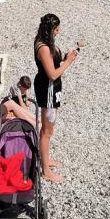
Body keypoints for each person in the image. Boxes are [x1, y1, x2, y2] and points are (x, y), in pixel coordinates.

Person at [34, 13, 78, 183]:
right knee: (47, 131)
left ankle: (46, 159)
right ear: (49, 30)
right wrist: (68, 62)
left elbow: (52, 65)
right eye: (56, 29)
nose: (59, 31)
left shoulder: (44, 41)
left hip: (51, 88)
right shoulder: (44, 47)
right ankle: (45, 170)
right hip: (48, 89)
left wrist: (64, 58)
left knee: (47, 129)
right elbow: (52, 74)